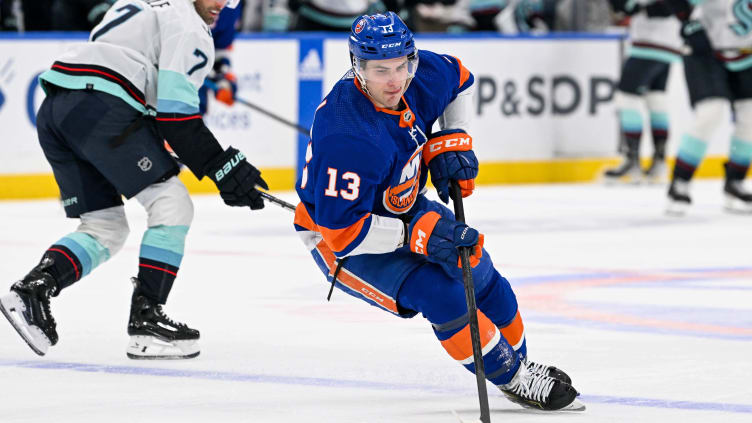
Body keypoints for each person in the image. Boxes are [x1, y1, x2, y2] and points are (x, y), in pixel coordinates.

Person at [293, 11, 582, 411]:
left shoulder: (419, 72)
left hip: (403, 205)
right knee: (444, 294)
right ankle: (514, 377)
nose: (394, 81)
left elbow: (460, 78)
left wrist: (451, 137)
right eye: (380, 71)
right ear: (357, 67)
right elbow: (342, 232)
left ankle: (520, 366)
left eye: (401, 67)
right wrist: (417, 236)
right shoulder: (348, 136)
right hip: (343, 239)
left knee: (477, 267)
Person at [0, 0, 268, 360]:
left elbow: (142, 94)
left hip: (57, 109)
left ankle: (33, 290)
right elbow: (177, 119)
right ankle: (146, 319)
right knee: (172, 204)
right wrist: (225, 168)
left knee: (104, 227)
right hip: (103, 107)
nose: (222, 4)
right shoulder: (189, 25)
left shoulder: (137, 2)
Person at [663, 0, 752, 214]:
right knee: (711, 112)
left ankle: (735, 182)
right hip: (706, 51)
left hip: (746, 53)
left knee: (750, 116)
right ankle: (680, 181)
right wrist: (688, 21)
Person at [603, 0, 681, 183]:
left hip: (648, 42)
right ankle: (659, 163)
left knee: (626, 97)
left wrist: (636, 8)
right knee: (656, 99)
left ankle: (633, 163)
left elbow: (664, 7)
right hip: (669, 43)